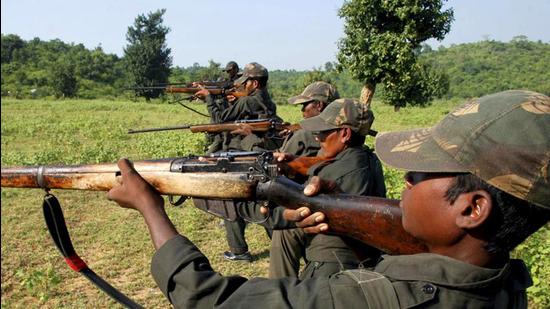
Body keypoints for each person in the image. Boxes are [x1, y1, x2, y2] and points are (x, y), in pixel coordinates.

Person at [107, 90, 550, 308]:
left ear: (472, 209)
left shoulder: (367, 299)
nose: (407, 183)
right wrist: (344, 219)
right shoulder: (506, 283)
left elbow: (208, 300)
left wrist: (150, 207)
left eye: (420, 173)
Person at [195, 62, 280, 262]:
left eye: (247, 82)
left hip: (248, 155)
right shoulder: (268, 101)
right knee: (262, 200)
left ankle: (239, 250)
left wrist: (209, 98)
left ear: (255, 83)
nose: (244, 86)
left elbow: (219, 120)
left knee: (230, 198)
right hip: (262, 154)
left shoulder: (248, 101)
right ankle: (276, 243)